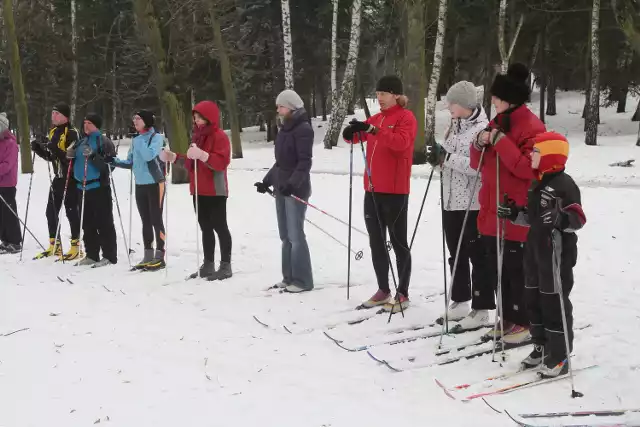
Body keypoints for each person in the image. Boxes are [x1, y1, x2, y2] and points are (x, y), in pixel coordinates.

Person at [498, 132, 586, 377]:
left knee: (553, 303)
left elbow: (578, 219)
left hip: (555, 254)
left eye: (536, 152)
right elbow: (534, 218)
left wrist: (561, 218)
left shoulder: (565, 185)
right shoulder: (538, 183)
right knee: (533, 301)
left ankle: (559, 355)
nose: (531, 155)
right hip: (534, 251)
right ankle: (541, 347)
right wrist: (514, 213)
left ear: (550, 156)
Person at [470, 63, 546, 344]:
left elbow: (528, 168)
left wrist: (500, 141)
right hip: (490, 207)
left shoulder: (532, 126)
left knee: (515, 271)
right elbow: (476, 162)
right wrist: (478, 142)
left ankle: (524, 322)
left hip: (515, 210)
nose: (492, 101)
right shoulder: (496, 121)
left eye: (497, 98)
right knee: (496, 269)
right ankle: (507, 318)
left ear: (510, 99)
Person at [342, 75, 417, 313]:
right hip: (372, 190)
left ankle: (402, 292)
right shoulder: (377, 118)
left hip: (395, 191)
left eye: (383, 94)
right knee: (376, 242)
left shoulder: (406, 118)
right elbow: (359, 137)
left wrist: (373, 129)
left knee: (398, 242)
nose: (379, 99)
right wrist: (351, 132)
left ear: (395, 94)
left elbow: (400, 144)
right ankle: (383, 289)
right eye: (377, 95)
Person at [426, 81, 492, 329]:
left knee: (478, 255)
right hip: (451, 201)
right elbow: (446, 163)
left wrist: (448, 158)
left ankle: (482, 308)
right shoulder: (453, 128)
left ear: (465, 104)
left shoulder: (482, 131)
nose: (447, 107)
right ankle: (460, 300)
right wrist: (436, 159)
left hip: (473, 203)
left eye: (451, 103)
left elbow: (479, 167)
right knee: (456, 254)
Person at [160, 101, 233, 281]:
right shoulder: (197, 137)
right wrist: (175, 157)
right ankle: (208, 263)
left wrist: (203, 155)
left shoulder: (220, 136)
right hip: (198, 189)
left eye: (200, 117)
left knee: (219, 226)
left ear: (210, 117)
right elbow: (191, 164)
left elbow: (221, 162)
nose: (197, 120)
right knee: (205, 227)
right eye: (195, 117)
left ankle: (225, 265)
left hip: (215, 190)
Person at [254, 89, 314, 293]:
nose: (277, 109)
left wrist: (293, 184)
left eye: (281, 106)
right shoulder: (284, 129)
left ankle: (303, 281)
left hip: (295, 190)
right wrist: (266, 182)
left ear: (291, 107)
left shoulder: (303, 129)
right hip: (281, 188)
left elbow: (304, 162)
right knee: (285, 236)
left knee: (296, 236)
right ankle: (288, 278)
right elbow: (280, 163)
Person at [112, 110, 166, 271]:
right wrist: (111, 160)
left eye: (138, 118)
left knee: (156, 219)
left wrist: (139, 139)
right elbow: (130, 162)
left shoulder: (156, 138)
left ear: (147, 121)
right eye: (134, 118)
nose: (134, 121)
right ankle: (148, 255)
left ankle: (160, 256)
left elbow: (149, 156)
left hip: (156, 183)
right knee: (146, 221)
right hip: (140, 184)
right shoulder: (136, 140)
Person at [31, 103, 82, 260]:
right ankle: (55, 245)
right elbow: (52, 157)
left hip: (71, 178)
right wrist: (39, 149)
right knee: (50, 211)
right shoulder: (54, 131)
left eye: (57, 114)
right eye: (52, 113)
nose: (53, 116)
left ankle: (76, 247)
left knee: (71, 211)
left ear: (65, 116)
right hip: (58, 178)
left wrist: (54, 148)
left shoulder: (72, 133)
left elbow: (70, 158)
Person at [68, 113, 118, 268]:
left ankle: (109, 255)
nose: (86, 126)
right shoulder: (80, 141)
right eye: (84, 123)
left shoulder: (103, 141)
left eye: (89, 123)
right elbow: (74, 162)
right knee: (87, 223)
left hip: (99, 187)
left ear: (96, 125)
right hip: (81, 187)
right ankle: (92, 254)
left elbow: (111, 165)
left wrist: (94, 156)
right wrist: (69, 155)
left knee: (104, 222)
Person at [0, 113, 22, 254]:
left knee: (9, 212)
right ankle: (5, 240)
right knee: (1, 213)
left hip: (7, 183)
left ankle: (15, 241)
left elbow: (7, 165)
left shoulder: (11, 144)